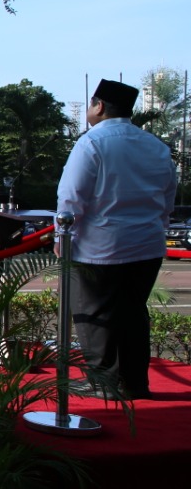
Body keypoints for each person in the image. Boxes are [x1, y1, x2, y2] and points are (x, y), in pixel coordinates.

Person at [58, 79, 176, 399]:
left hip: (101, 245)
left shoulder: (92, 143)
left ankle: (103, 383)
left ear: (99, 107)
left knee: (96, 316)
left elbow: (71, 198)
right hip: (147, 244)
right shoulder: (155, 145)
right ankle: (136, 383)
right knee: (134, 314)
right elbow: (168, 199)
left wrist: (61, 237)